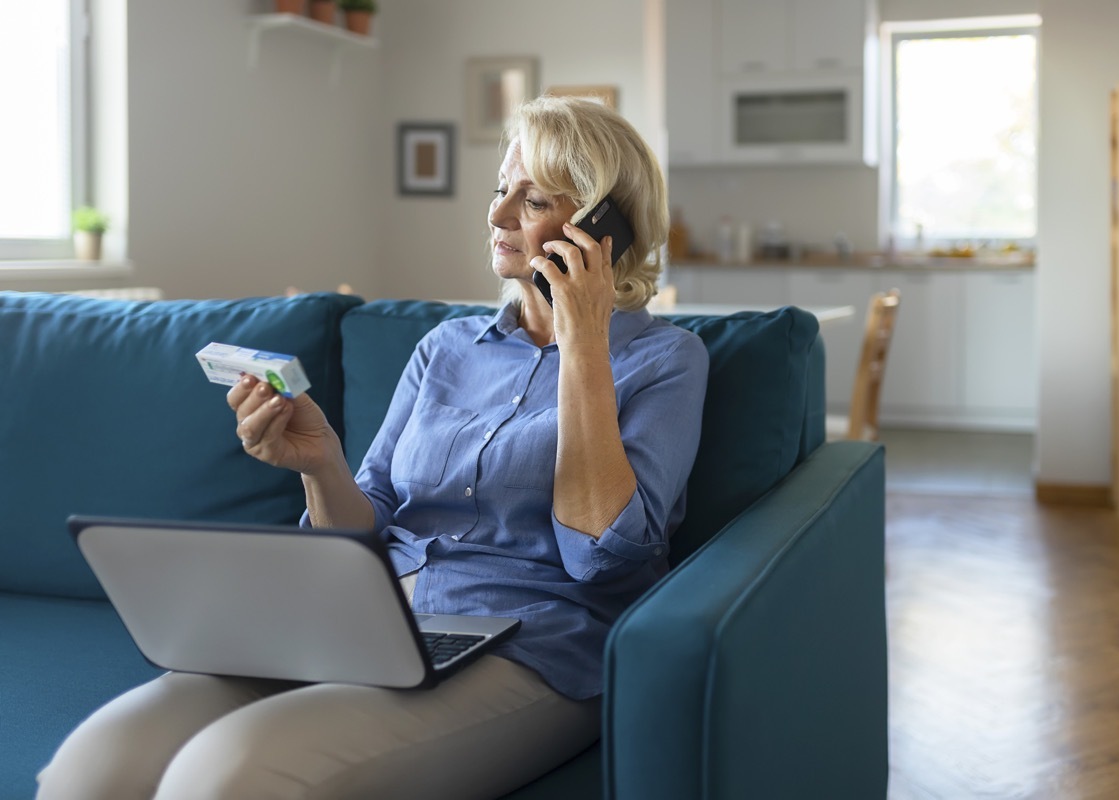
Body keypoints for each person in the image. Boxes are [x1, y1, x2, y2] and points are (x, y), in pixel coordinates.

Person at [35, 95, 709, 800]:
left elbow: (598, 557)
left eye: (533, 198)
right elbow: (363, 529)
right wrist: (321, 463)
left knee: (229, 774)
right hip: (368, 619)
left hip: (534, 646)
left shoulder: (666, 360)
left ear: (604, 229)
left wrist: (584, 345)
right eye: (498, 189)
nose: (498, 215)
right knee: (98, 765)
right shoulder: (445, 348)